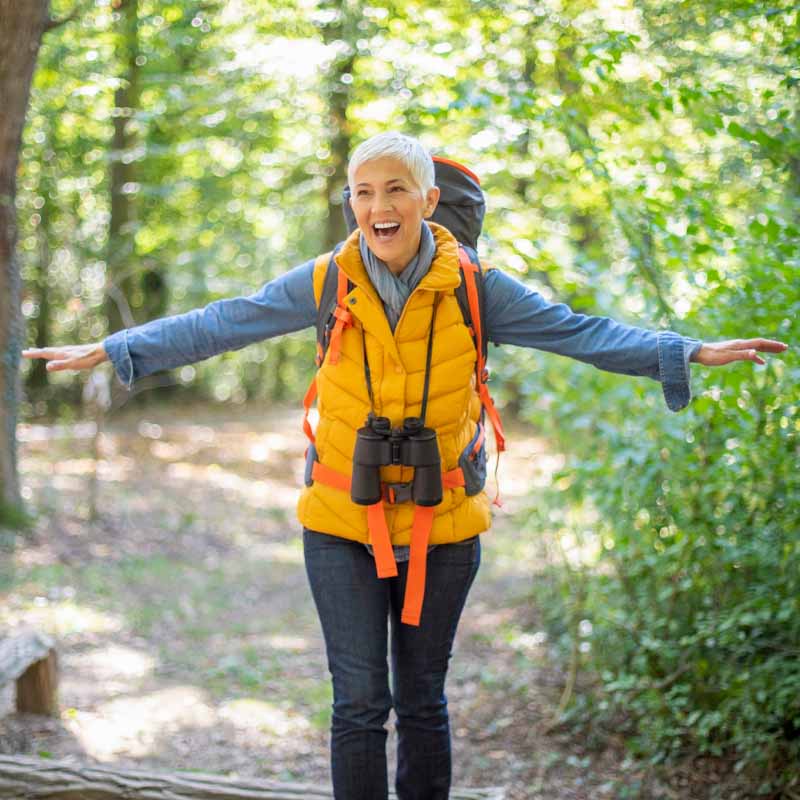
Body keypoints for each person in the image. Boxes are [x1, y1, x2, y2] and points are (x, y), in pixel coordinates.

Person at [23, 131, 787, 800]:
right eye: (363, 191)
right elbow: (226, 320)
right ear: (351, 202)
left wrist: (683, 350)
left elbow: (578, 331)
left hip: (445, 522)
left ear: (426, 199)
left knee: (421, 698)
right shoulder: (326, 280)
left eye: (394, 189)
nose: (377, 205)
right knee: (358, 702)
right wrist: (119, 349)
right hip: (340, 521)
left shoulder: (478, 289)